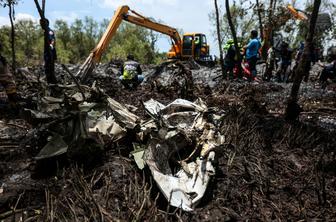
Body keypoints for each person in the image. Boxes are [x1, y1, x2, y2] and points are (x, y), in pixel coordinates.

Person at [0, 43, 17, 109]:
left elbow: (8, 78)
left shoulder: (2, 60)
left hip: (8, 84)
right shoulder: (2, 60)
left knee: (10, 85)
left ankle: (13, 104)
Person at [40, 18, 57, 84]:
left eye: (42, 24)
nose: (41, 25)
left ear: (46, 24)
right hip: (47, 55)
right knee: (48, 71)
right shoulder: (46, 32)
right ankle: (51, 85)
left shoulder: (49, 31)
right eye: (40, 24)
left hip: (50, 56)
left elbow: (52, 42)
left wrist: (51, 52)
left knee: (50, 72)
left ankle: (53, 87)